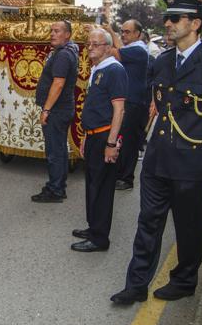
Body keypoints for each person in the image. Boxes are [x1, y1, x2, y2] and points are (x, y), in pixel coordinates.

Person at [111, 0, 202, 305]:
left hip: (193, 162)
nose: (167, 23)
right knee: (148, 224)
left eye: (176, 19)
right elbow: (157, 103)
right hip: (158, 159)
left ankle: (184, 280)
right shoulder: (162, 61)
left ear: (195, 24)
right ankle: (136, 284)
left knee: (189, 227)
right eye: (168, 18)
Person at [72, 29, 127, 252]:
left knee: (102, 189)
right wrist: (86, 136)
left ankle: (99, 238)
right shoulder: (98, 69)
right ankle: (93, 227)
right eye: (88, 44)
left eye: (96, 44)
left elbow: (119, 110)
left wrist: (111, 144)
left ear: (107, 47)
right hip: (94, 135)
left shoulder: (114, 70)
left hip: (105, 135)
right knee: (92, 185)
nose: (90, 47)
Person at [32, 20, 79, 203]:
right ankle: (57, 186)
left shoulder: (63, 55)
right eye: (51, 31)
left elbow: (58, 84)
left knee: (55, 152)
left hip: (57, 111)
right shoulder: (65, 52)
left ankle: (56, 190)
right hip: (60, 109)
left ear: (67, 34)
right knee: (58, 150)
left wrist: (46, 109)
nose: (52, 34)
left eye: (57, 31)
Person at [104, 20, 148, 191]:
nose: (123, 34)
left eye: (127, 32)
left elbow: (115, 52)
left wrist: (108, 32)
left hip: (134, 102)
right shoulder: (132, 48)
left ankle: (126, 178)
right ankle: (119, 174)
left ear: (138, 34)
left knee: (128, 142)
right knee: (122, 139)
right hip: (129, 101)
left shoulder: (138, 50)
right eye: (122, 31)